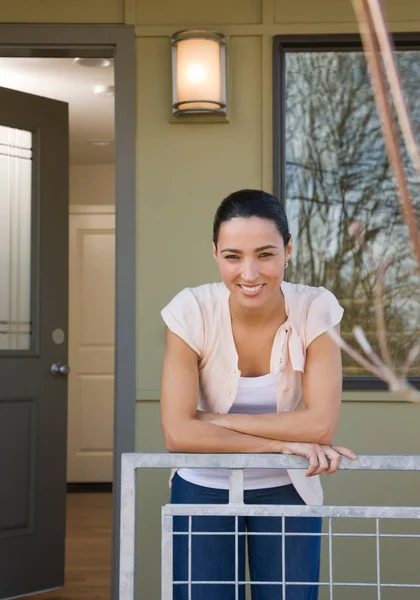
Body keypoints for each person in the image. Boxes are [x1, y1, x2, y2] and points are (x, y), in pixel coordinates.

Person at [160, 189, 356, 600]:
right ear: (215, 253)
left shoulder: (316, 308)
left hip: (288, 487)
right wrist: (285, 441)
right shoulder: (190, 310)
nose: (249, 273)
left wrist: (210, 421)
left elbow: (320, 425)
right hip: (202, 487)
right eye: (233, 256)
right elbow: (179, 436)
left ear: (287, 251)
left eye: (265, 254)